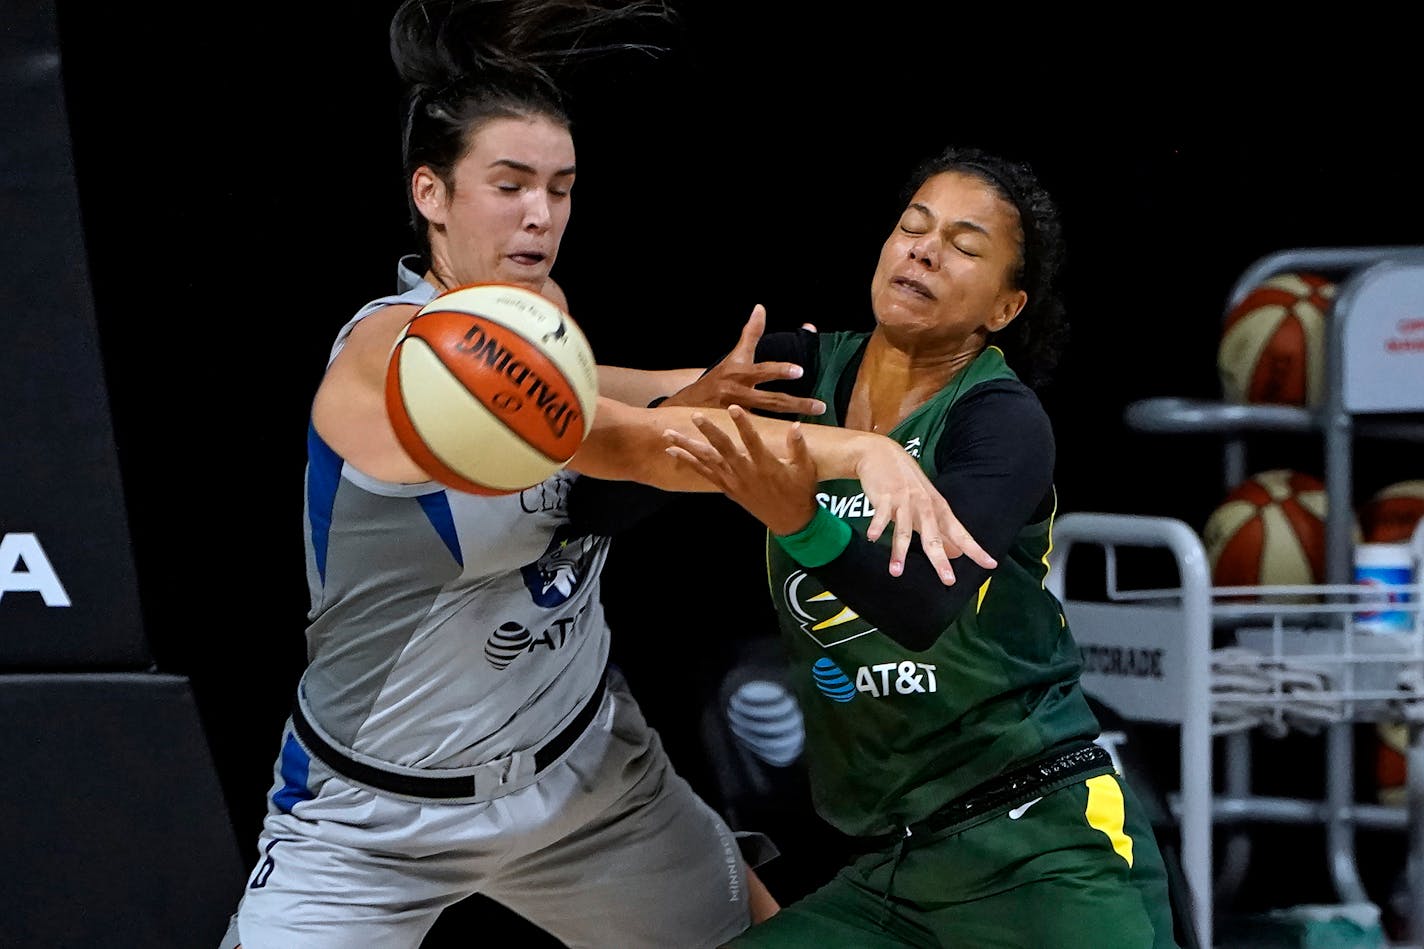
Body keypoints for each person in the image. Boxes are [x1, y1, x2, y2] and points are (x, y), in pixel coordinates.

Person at [218, 4, 993, 948]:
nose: (541, 215)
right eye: (509, 186)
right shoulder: (390, 354)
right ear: (431, 193)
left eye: (561, 187)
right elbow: (635, 445)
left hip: (585, 782)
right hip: (376, 816)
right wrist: (859, 453)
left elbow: (632, 398)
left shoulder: (542, 319)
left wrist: (726, 389)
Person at [664, 144, 1184, 948]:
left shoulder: (1000, 421)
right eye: (913, 225)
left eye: (965, 245)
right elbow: (631, 448)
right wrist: (664, 406)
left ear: (1004, 308)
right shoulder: (798, 375)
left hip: (1043, 847)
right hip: (895, 872)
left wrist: (801, 516)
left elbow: (921, 599)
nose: (924, 248)